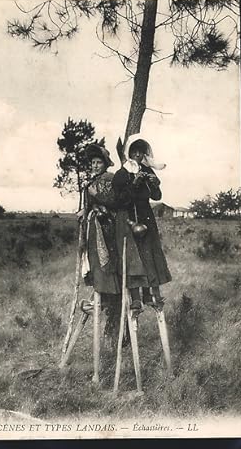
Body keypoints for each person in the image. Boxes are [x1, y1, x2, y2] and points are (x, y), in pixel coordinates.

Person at [112, 134, 172, 315]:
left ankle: (150, 295)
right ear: (129, 152)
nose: (138, 154)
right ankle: (136, 299)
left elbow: (156, 197)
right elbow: (120, 201)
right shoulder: (122, 174)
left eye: (141, 151)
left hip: (146, 219)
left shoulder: (147, 170)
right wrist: (134, 184)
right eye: (134, 151)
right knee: (133, 259)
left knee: (149, 256)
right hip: (129, 220)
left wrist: (154, 184)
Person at [79, 143, 121, 339]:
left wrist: (98, 197)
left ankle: (107, 300)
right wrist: (84, 211)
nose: (95, 166)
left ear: (105, 164)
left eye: (99, 162)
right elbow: (89, 204)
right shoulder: (90, 182)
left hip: (107, 227)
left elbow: (114, 201)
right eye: (93, 163)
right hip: (92, 228)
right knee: (94, 261)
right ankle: (99, 299)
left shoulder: (109, 179)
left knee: (106, 262)